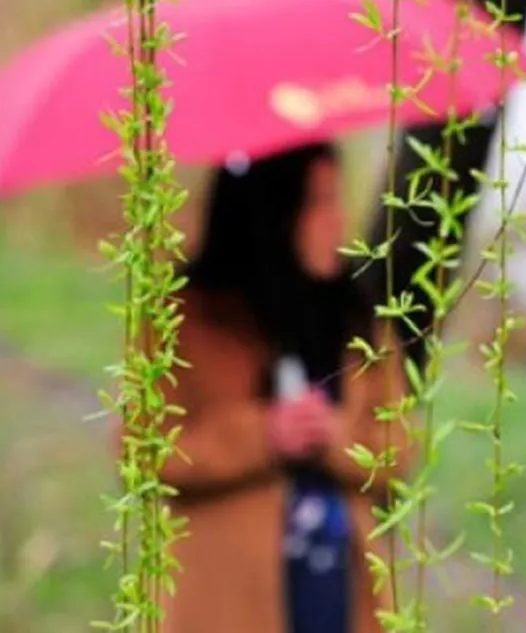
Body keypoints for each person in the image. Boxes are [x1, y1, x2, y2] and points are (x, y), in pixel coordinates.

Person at [123, 142, 413, 633]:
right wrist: (265, 434)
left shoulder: (359, 318)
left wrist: (334, 438)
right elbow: (144, 453)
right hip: (227, 600)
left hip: (343, 592)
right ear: (269, 212)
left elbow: (398, 451)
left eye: (338, 200)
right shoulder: (181, 318)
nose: (337, 222)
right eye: (318, 203)